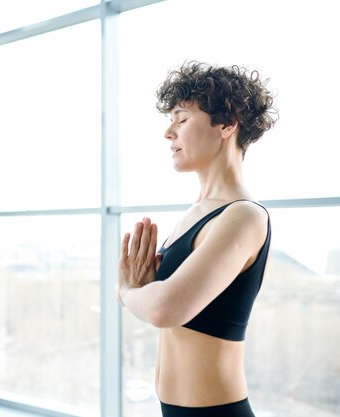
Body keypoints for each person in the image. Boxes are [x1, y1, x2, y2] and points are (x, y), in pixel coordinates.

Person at [117, 61, 278, 417]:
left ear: (226, 124)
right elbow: (159, 300)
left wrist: (129, 292)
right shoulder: (197, 213)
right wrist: (142, 292)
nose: (168, 133)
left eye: (182, 119)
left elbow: (164, 309)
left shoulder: (244, 216)